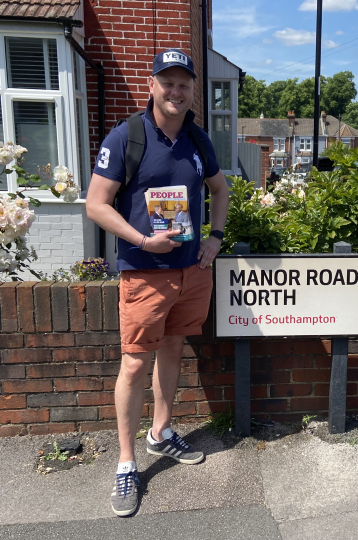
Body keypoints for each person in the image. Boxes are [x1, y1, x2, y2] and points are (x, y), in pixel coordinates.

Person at [85, 48, 229, 517]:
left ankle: (160, 433)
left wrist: (215, 239)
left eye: (184, 83)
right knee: (133, 366)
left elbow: (220, 189)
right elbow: (97, 204)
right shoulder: (127, 135)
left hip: (192, 271)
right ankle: (126, 464)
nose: (176, 90)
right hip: (145, 274)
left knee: (173, 350)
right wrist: (143, 241)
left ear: (192, 90)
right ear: (152, 86)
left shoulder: (197, 137)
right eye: (167, 82)